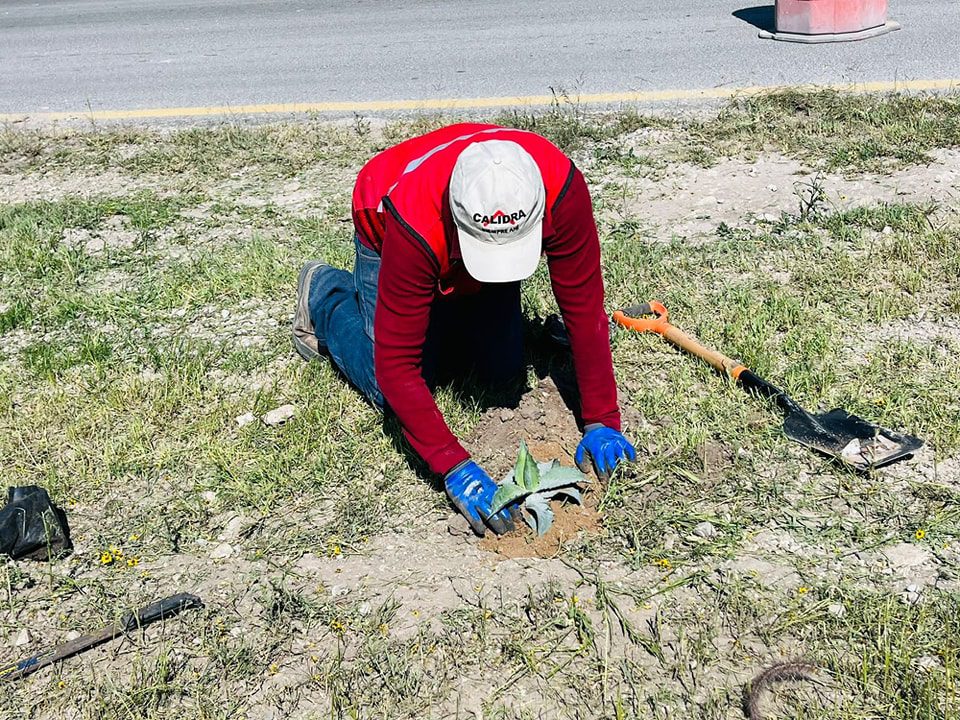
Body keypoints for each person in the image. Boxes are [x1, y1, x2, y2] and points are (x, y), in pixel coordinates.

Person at [293, 123, 635, 536]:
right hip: (382, 214)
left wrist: (602, 418)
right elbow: (396, 365)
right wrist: (454, 466)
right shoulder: (414, 220)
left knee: (502, 373)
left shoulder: (560, 188)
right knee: (394, 391)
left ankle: (442, 309)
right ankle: (326, 297)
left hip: (470, 232)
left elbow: (584, 309)